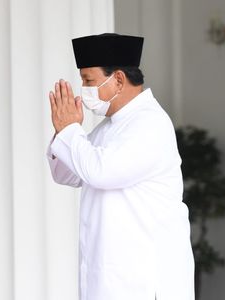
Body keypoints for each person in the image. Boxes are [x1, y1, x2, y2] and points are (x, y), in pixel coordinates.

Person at [47, 33, 194, 300]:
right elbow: (66, 173)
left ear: (117, 79)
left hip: (145, 282)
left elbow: (100, 172)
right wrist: (63, 131)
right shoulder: (109, 127)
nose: (83, 89)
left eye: (88, 80)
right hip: (108, 278)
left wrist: (70, 130)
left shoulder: (150, 124)